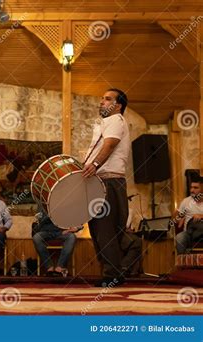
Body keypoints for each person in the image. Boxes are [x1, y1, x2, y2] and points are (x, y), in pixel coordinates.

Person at [82, 88, 130, 287]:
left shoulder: (116, 120)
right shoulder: (106, 123)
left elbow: (109, 145)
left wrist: (93, 165)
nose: (101, 101)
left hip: (109, 182)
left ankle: (112, 276)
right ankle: (110, 274)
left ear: (117, 106)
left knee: (105, 229)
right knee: (96, 229)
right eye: (102, 98)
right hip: (100, 181)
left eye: (107, 99)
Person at [32, 212, 80, 277]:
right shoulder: (41, 205)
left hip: (62, 232)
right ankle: (49, 268)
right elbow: (39, 224)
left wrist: (76, 228)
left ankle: (59, 268)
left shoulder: (64, 205)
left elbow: (80, 221)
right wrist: (49, 215)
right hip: (45, 232)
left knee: (72, 237)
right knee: (36, 237)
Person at [174, 178, 203, 254]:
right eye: (191, 187)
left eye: (196, 188)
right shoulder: (186, 201)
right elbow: (177, 220)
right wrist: (176, 216)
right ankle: (184, 263)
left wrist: (201, 216)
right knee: (179, 238)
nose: (192, 190)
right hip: (189, 233)